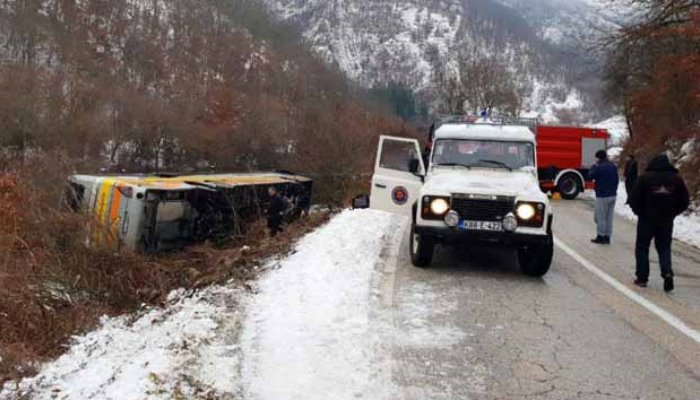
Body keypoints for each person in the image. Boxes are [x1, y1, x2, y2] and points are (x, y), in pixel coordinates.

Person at [628, 154, 690, 292]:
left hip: (646, 219)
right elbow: (685, 201)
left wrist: (640, 212)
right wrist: (673, 213)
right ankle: (667, 272)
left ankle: (642, 278)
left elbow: (634, 198)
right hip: (666, 220)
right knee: (664, 247)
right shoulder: (676, 180)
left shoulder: (645, 178)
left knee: (642, 247)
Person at [588, 149, 619, 244]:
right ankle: (607, 236)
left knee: (600, 217)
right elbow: (617, 179)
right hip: (612, 194)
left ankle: (601, 236)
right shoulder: (612, 166)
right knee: (609, 218)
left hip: (602, 195)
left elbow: (590, 176)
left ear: (598, 158)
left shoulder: (599, 167)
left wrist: (593, 167)